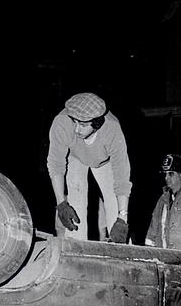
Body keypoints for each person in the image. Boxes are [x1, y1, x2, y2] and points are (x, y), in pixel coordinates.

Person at [47, 92, 131, 243]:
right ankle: (75, 246)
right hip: (75, 156)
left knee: (114, 206)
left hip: (104, 161)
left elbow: (122, 178)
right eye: (74, 122)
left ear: (97, 123)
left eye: (83, 125)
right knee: (75, 203)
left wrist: (122, 217)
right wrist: (61, 203)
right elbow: (56, 165)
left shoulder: (112, 129)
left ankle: (121, 250)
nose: (77, 130)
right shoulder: (61, 123)